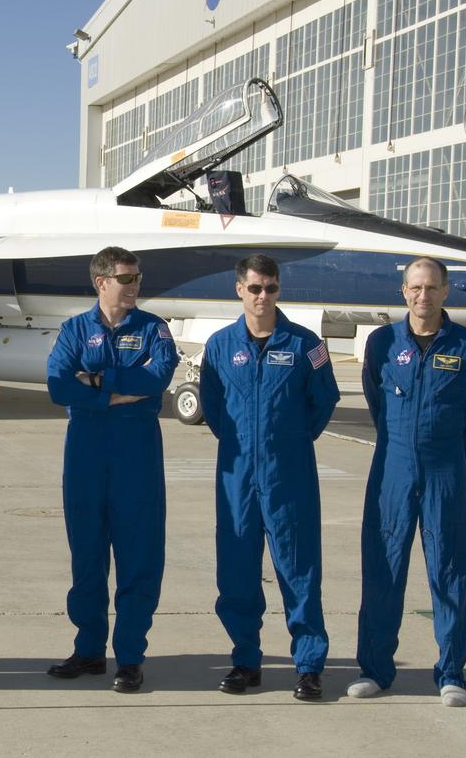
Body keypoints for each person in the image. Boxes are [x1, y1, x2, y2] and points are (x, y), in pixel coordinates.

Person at [348, 256, 466, 708]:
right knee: (383, 569)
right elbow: (375, 399)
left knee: (449, 569)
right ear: (403, 292)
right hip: (392, 468)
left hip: (445, 470)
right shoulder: (382, 342)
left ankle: (451, 672)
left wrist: (449, 455)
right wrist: (403, 447)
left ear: (446, 291)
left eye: (432, 287)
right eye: (415, 288)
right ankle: (375, 669)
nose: (423, 295)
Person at [199, 253, 339, 700]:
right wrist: (247, 447)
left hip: (289, 474)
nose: (263, 296)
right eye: (255, 288)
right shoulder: (220, 346)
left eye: (271, 288)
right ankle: (245, 660)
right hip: (237, 476)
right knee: (237, 570)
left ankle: (310, 665)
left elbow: (325, 400)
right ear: (239, 289)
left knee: (299, 570)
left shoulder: (307, 344)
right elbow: (215, 409)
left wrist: (290, 441)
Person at [45, 246, 179, 693]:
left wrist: (98, 381)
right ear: (101, 282)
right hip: (85, 453)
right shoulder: (73, 330)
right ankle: (88, 650)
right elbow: (58, 384)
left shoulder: (153, 329)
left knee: (138, 554)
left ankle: (129, 657)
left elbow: (158, 377)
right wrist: (117, 390)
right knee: (86, 554)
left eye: (138, 276)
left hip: (135, 454)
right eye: (126, 277)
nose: (135, 284)